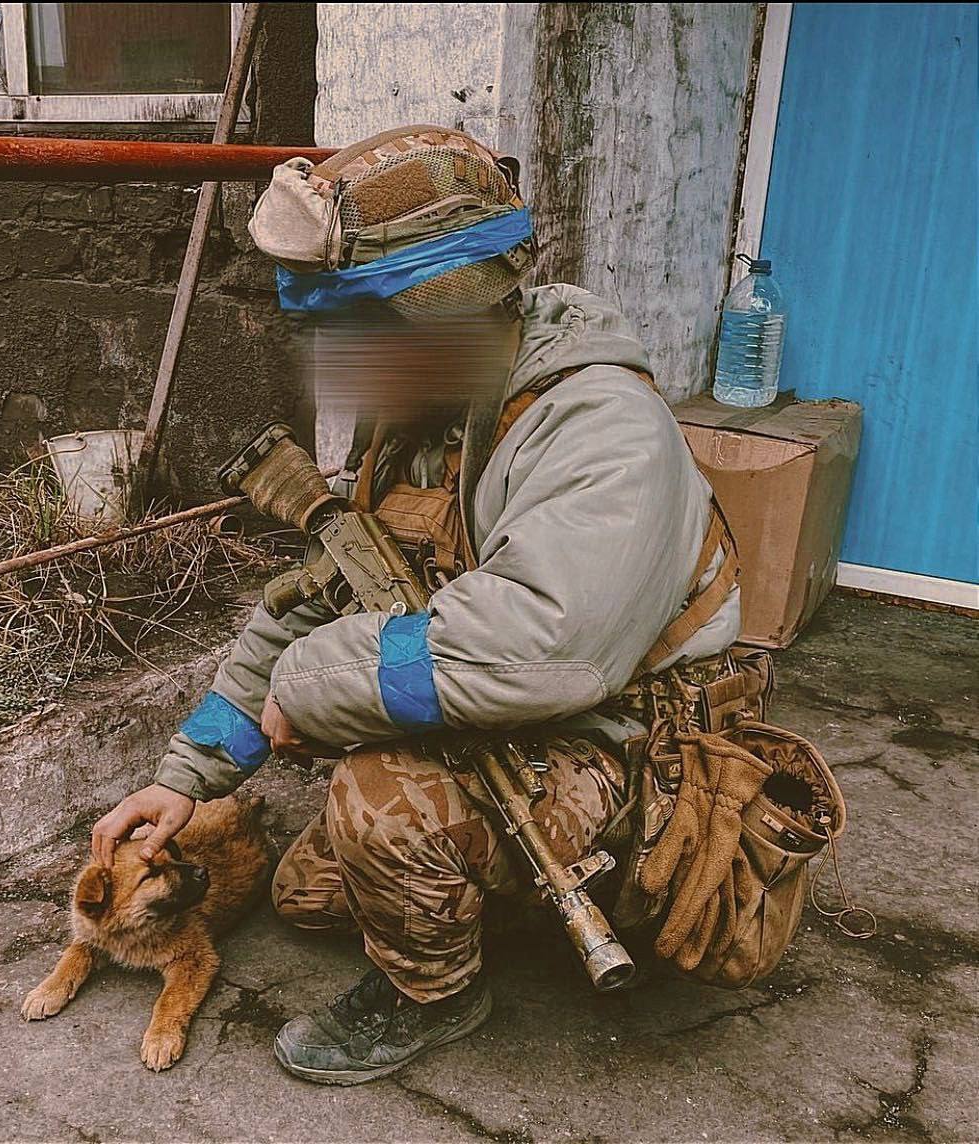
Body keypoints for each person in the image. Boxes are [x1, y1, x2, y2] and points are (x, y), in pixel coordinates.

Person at [92, 125, 741, 1085]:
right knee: (309, 895)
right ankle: (497, 900)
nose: (340, 364)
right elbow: (324, 590)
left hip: (628, 743)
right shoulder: (434, 411)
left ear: (441, 311)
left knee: (381, 808)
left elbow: (539, 646)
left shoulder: (603, 427)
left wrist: (310, 691)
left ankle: (435, 994)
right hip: (521, 719)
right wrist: (187, 780)